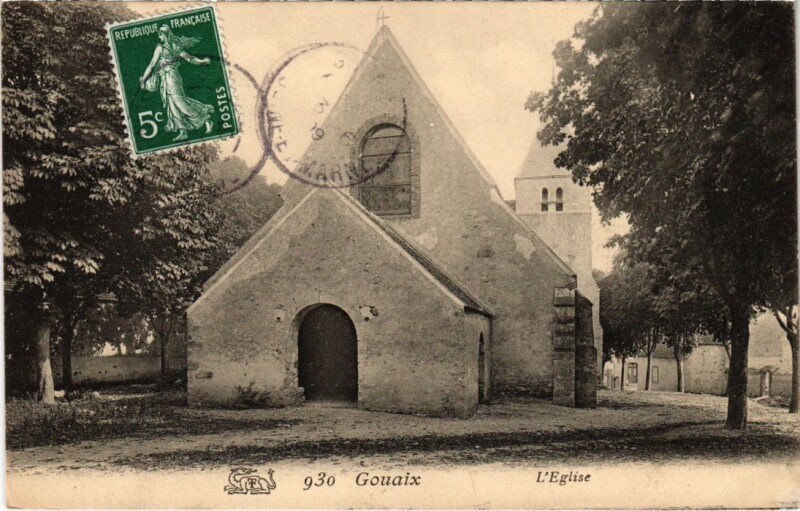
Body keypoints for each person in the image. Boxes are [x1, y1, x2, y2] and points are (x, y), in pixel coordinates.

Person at [139, 25, 214, 141]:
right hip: (164, 78)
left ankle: (205, 117)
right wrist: (202, 61)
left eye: (160, 34)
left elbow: (188, 58)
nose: (159, 37)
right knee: (171, 104)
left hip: (172, 76)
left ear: (165, 34)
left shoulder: (169, 47)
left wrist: (202, 62)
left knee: (179, 101)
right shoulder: (165, 47)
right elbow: (153, 64)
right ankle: (182, 130)